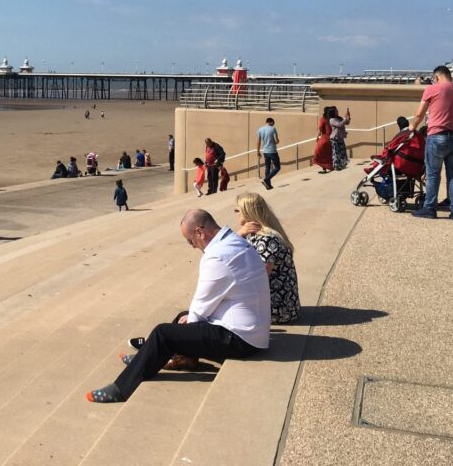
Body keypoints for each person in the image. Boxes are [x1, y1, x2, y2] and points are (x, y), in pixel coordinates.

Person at [85, 209, 270, 403]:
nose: (192, 246)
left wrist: (189, 320)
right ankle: (161, 358)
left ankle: (120, 389)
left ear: (200, 232)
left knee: (163, 333)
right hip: (251, 331)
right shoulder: (235, 242)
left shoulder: (218, 256)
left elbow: (201, 305)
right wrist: (189, 318)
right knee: (183, 316)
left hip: (241, 340)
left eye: (190, 240)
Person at [409, 65, 453, 222]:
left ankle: (430, 208)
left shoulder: (432, 89)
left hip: (437, 137)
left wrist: (412, 127)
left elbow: (419, 113)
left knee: (433, 174)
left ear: (436, 77)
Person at [234, 193, 300, 323]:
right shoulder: (253, 232)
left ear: (247, 212)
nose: (236, 214)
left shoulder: (267, 240)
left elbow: (259, 278)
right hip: (276, 302)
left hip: (279, 309)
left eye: (237, 210)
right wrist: (239, 233)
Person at [257, 117, 281, 190]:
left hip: (265, 151)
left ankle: (268, 185)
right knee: (277, 167)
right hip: (272, 151)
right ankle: (266, 179)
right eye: (273, 123)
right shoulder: (273, 128)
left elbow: (258, 141)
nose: (273, 124)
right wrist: (276, 141)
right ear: (271, 122)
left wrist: (258, 151)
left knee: (267, 167)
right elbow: (276, 140)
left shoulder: (260, 129)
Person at [313, 108, 334, 173]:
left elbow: (320, 129)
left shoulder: (323, 119)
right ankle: (329, 167)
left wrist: (317, 136)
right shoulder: (333, 119)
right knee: (328, 154)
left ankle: (324, 167)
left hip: (325, 138)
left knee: (318, 152)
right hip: (332, 139)